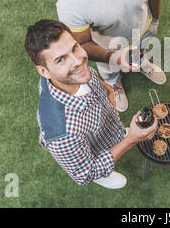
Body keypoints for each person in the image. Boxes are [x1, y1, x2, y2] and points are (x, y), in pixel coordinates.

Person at [24, 19, 158, 189]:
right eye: (61, 60)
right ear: (44, 71)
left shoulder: (67, 74)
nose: (78, 61)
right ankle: (104, 176)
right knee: (93, 167)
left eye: (74, 48)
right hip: (89, 155)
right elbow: (85, 174)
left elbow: (88, 75)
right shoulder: (61, 134)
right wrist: (131, 139)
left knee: (110, 133)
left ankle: (117, 136)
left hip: (103, 128)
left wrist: (108, 88)